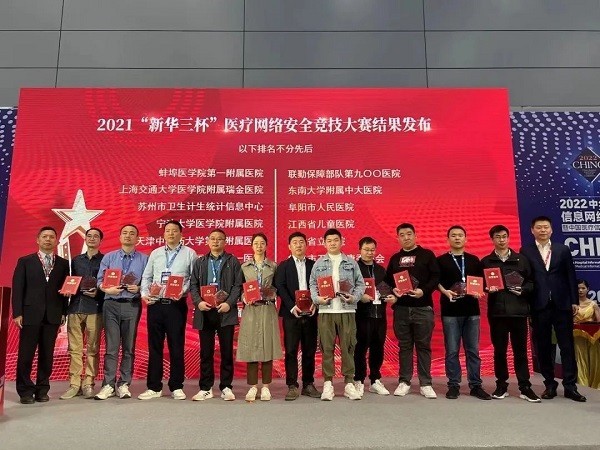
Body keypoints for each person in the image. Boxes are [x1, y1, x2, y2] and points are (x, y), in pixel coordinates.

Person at [520, 216, 586, 402]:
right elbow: (526, 278)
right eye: (539, 227)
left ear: (551, 230)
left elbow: (570, 275)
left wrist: (574, 301)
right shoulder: (526, 251)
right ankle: (550, 384)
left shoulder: (562, 249)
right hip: (539, 305)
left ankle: (570, 386)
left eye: (546, 227)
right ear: (532, 230)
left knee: (567, 346)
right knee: (543, 347)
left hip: (562, 304)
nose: (543, 230)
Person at [138, 220, 197, 400]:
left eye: (174, 231)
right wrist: (144, 294)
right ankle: (154, 387)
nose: (171, 233)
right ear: (163, 234)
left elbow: (193, 278)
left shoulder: (189, 253)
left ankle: (176, 386)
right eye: (168, 231)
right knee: (154, 346)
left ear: (181, 234)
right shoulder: (156, 253)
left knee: (176, 345)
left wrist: (182, 290)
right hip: (155, 304)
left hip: (176, 305)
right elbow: (146, 277)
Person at [481, 225, 540, 402]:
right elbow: (479, 284)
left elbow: (531, 282)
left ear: (508, 238)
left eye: (504, 236)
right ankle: (501, 385)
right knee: (499, 351)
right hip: (497, 313)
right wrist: (487, 288)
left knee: (520, 351)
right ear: (492, 239)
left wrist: (523, 290)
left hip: (519, 312)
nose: (501, 240)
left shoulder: (521, 260)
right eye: (498, 237)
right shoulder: (486, 261)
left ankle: (525, 386)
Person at [12, 226, 70, 404]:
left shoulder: (62, 263)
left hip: (53, 315)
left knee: (47, 355)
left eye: (51, 237)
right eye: (44, 236)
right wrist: (17, 313)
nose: (48, 239)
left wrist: (64, 311)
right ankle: (25, 391)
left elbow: (65, 290)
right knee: (26, 355)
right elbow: (18, 288)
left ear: (56, 241)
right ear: (38, 240)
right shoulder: (25, 261)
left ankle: (42, 389)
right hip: (29, 315)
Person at [309, 228, 365, 401]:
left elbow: (360, 284)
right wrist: (317, 299)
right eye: (329, 240)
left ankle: (349, 383)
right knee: (327, 348)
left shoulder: (351, 263)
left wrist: (353, 297)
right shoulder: (318, 264)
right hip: (326, 311)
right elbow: (312, 284)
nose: (332, 243)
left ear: (342, 241)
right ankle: (328, 383)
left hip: (347, 310)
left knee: (349, 347)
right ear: (324, 243)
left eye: (336, 240)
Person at [385, 223, 440, 399]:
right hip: (401, 309)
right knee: (405, 346)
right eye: (402, 235)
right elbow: (388, 281)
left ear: (415, 235)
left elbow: (436, 277)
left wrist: (424, 290)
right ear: (398, 238)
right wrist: (393, 291)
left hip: (423, 308)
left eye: (409, 234)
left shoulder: (427, 255)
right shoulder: (395, 259)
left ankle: (426, 383)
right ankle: (404, 381)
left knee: (423, 346)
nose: (406, 237)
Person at [94, 224, 148, 400]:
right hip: (111, 305)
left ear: (137, 239)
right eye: (125, 233)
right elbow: (99, 281)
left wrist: (139, 288)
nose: (128, 236)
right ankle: (108, 384)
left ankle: (124, 384)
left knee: (128, 347)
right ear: (119, 237)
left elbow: (148, 282)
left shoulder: (144, 259)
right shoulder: (109, 257)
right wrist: (106, 289)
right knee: (111, 347)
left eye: (132, 233)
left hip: (132, 305)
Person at [437, 226, 491, 400]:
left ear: (466, 239)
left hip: (472, 311)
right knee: (452, 350)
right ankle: (453, 385)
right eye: (453, 235)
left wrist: (480, 291)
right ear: (448, 239)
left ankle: (476, 385)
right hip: (450, 311)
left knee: (473, 350)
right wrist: (444, 291)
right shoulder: (441, 260)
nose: (457, 238)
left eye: (460, 235)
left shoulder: (474, 260)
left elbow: (482, 282)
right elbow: (435, 281)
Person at [190, 229, 242, 401]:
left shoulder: (232, 261)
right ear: (207, 241)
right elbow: (193, 285)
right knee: (206, 352)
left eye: (219, 239)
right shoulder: (200, 262)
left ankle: (226, 387)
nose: (216, 241)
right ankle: (205, 388)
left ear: (225, 242)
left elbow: (238, 286)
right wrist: (198, 302)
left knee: (226, 351)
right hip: (205, 311)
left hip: (225, 311)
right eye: (212, 239)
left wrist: (229, 303)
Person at [274, 231, 320, 401]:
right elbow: (280, 287)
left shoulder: (314, 265)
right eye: (295, 242)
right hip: (291, 314)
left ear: (306, 245)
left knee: (309, 350)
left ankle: (308, 384)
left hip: (311, 313)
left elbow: (319, 286)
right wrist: (292, 306)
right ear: (289, 246)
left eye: (301, 242)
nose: (298, 245)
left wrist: (315, 303)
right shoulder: (284, 266)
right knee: (291, 350)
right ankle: (292, 385)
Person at [60, 227, 105, 400]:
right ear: (85, 239)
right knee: (74, 349)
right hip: (75, 307)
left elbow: (108, 283)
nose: (92, 238)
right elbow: (70, 281)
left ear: (100, 240)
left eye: (96, 236)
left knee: (93, 348)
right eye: (89, 236)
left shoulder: (105, 260)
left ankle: (88, 383)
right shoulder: (76, 260)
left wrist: (98, 293)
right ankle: (74, 384)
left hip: (95, 308)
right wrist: (67, 291)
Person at [237, 233, 282, 402]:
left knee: (267, 346)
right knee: (251, 347)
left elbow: (278, 287)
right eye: (256, 243)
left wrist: (272, 293)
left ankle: (266, 386)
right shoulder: (244, 267)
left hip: (268, 309)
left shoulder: (273, 266)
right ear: (251, 246)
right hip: (251, 310)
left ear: (266, 246)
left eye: (262, 243)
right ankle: (252, 386)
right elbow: (239, 289)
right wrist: (244, 297)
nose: (259, 246)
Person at [354, 236, 391, 396]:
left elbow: (386, 289)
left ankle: (375, 380)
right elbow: (348, 289)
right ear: (360, 250)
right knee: (360, 348)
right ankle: (359, 379)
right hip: (361, 315)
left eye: (372, 250)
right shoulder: (354, 269)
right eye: (366, 250)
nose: (369, 253)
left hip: (379, 315)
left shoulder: (381, 270)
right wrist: (359, 296)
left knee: (378, 347)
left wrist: (390, 296)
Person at [573, 279, 600, 388]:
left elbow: (598, 322)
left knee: (594, 359)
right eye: (578, 288)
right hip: (577, 336)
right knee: (580, 359)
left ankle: (595, 384)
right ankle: (582, 384)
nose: (580, 290)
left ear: (588, 289)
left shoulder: (593, 304)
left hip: (593, 337)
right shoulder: (572, 305)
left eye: (583, 288)